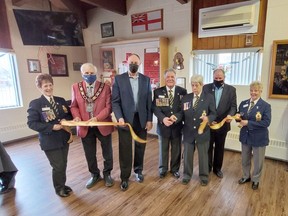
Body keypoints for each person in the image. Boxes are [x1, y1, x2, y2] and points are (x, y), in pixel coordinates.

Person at [27, 74, 73, 197]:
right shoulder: (36, 104)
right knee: (58, 165)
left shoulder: (60, 100)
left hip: (64, 138)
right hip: (50, 141)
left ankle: (62, 184)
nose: (48, 88)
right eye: (45, 86)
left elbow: (69, 115)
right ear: (39, 88)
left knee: (63, 163)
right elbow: (31, 123)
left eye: (50, 85)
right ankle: (59, 188)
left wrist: (65, 120)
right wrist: (51, 127)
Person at [112, 53, 153, 191]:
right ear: (126, 63)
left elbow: (149, 101)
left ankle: (138, 171)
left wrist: (149, 119)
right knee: (125, 148)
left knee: (140, 146)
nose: (133, 65)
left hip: (141, 119)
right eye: (131, 62)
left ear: (139, 64)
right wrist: (119, 118)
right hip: (125, 120)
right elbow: (115, 102)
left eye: (136, 62)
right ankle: (124, 177)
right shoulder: (119, 79)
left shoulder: (146, 80)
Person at [70, 63, 114, 189]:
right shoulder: (75, 87)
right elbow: (73, 106)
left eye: (91, 73)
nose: (89, 75)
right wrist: (77, 117)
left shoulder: (105, 87)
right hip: (85, 126)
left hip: (102, 123)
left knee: (107, 152)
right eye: (86, 73)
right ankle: (94, 174)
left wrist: (97, 118)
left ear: (95, 73)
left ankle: (107, 174)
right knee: (89, 153)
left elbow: (109, 107)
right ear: (82, 74)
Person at [177, 74, 216, 186]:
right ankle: (186, 175)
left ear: (202, 85)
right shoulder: (186, 98)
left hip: (202, 131)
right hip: (188, 131)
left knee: (203, 155)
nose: (194, 88)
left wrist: (208, 118)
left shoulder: (209, 97)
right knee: (188, 155)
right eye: (192, 85)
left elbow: (214, 113)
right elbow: (181, 113)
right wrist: (176, 117)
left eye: (196, 85)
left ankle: (204, 176)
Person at [152, 68, 187, 179]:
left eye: (172, 77)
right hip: (163, 126)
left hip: (177, 126)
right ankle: (163, 169)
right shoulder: (158, 91)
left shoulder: (182, 92)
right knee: (163, 149)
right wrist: (163, 119)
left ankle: (175, 169)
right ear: (164, 78)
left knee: (176, 149)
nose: (170, 79)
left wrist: (176, 117)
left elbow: (184, 109)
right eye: (168, 77)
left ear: (175, 78)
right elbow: (156, 108)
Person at [237, 81, 271, 190]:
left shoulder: (265, 106)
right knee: (245, 159)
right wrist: (236, 117)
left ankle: (256, 180)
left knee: (258, 161)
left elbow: (266, 122)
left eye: (256, 90)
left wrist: (248, 123)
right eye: (251, 90)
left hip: (259, 138)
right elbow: (240, 117)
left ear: (260, 91)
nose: (253, 92)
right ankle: (246, 176)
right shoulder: (243, 103)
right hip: (245, 136)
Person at [203, 68, 237, 178]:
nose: (218, 80)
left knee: (219, 147)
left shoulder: (231, 90)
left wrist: (230, 115)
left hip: (223, 124)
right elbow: (203, 104)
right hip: (209, 124)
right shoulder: (206, 88)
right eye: (216, 78)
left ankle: (217, 169)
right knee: (207, 147)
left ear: (224, 78)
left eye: (220, 78)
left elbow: (233, 106)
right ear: (213, 77)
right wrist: (208, 117)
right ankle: (207, 168)